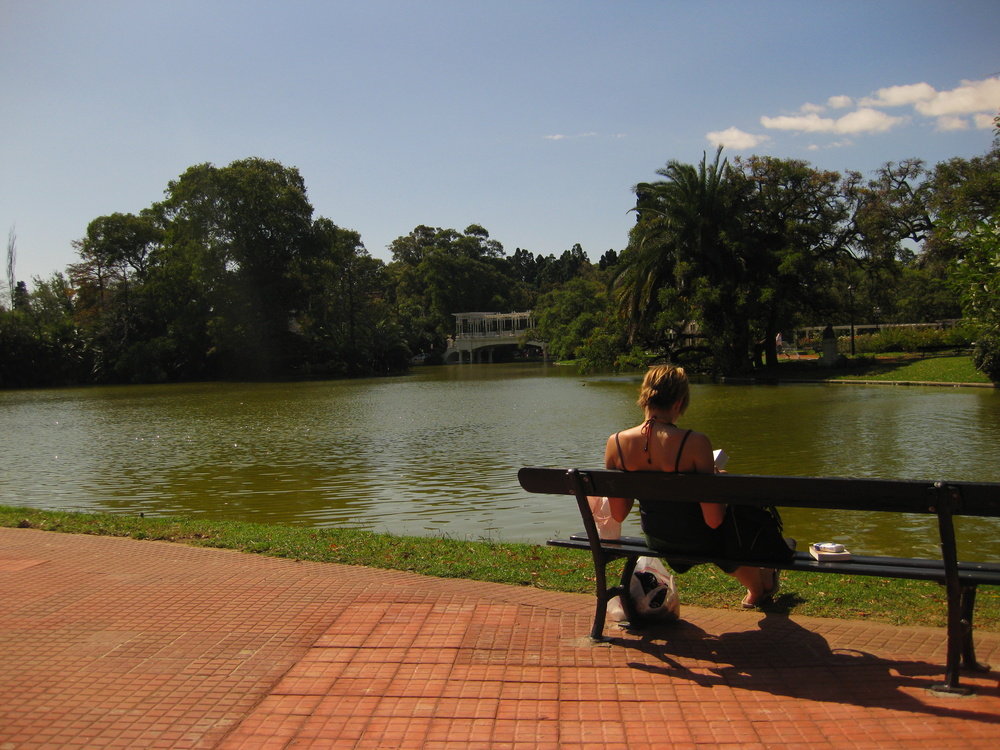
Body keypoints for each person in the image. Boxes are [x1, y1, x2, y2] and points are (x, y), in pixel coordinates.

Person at [603, 364, 781, 609]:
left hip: (658, 539)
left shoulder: (616, 443)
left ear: (644, 398)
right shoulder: (695, 442)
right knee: (735, 521)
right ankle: (760, 585)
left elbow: (619, 514)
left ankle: (760, 584)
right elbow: (714, 520)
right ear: (679, 402)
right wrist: (718, 484)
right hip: (701, 540)